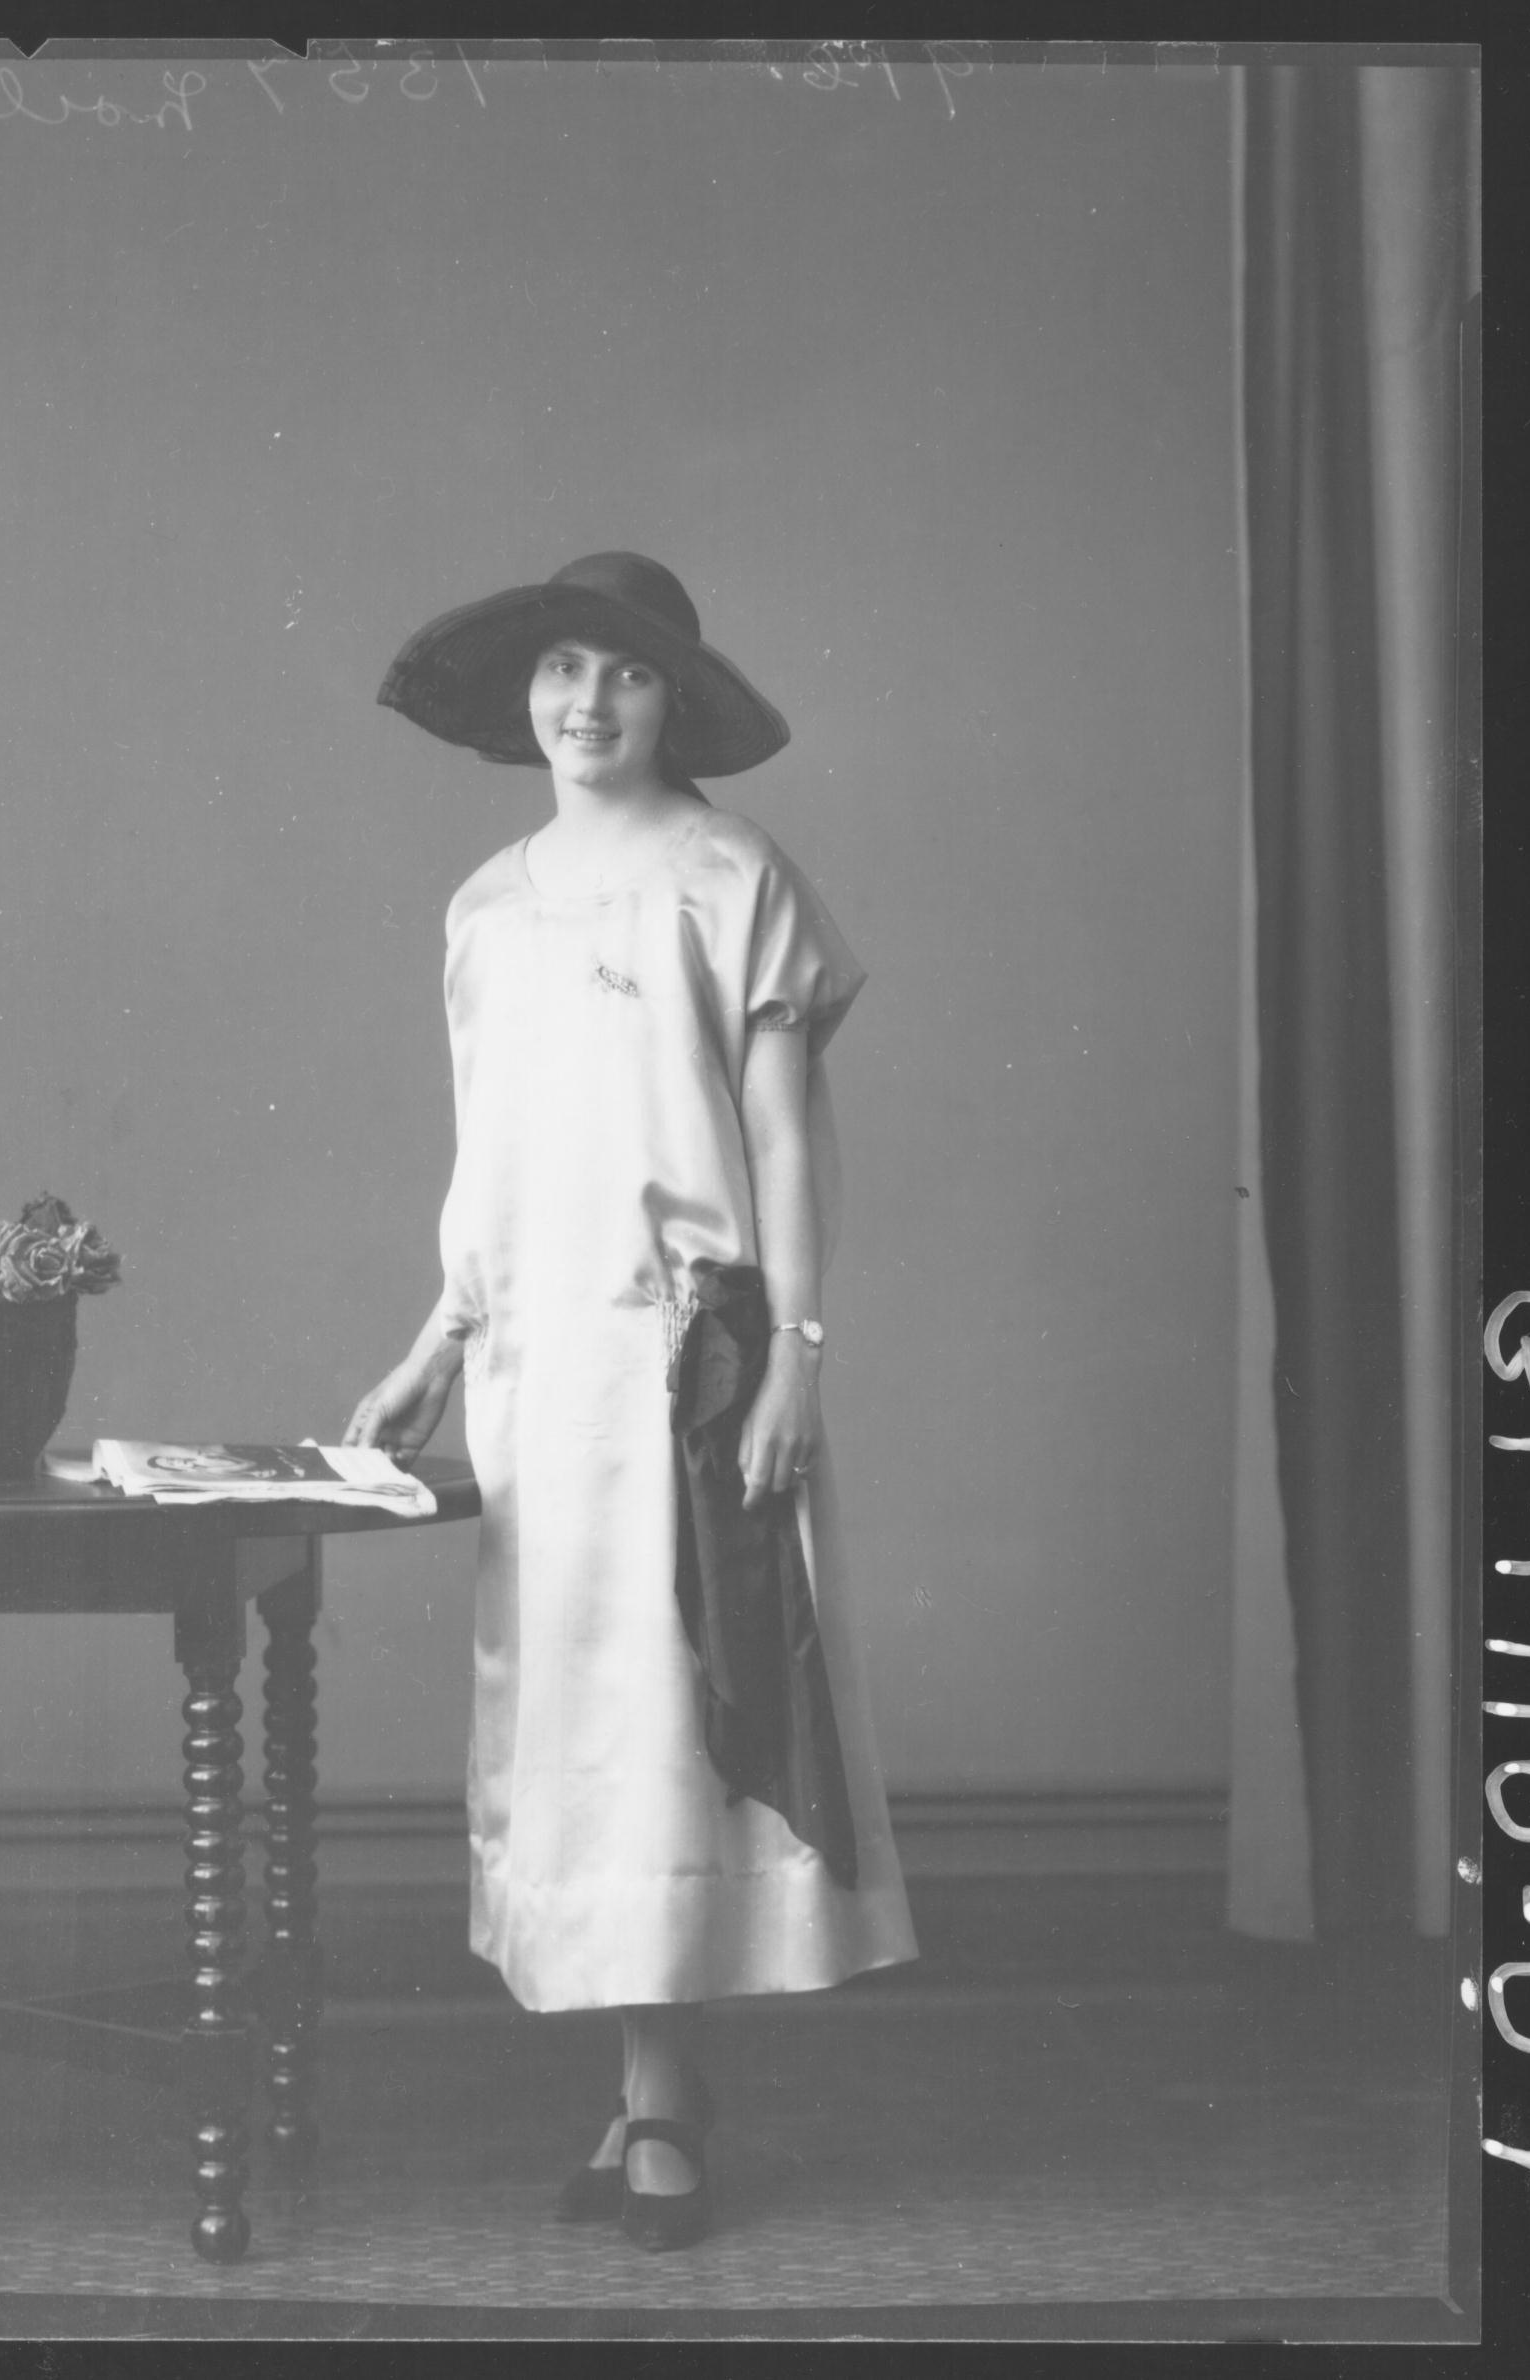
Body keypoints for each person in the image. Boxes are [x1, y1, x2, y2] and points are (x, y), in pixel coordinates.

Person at [346, 552, 918, 2250]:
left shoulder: (731, 876)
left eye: (628, 673)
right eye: (563, 668)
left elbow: (785, 1136)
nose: (587, 702)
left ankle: (661, 2099)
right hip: (538, 1375)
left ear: (678, 700)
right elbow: (500, 1160)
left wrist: (797, 1353)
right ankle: (644, 2085)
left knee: (673, 1718)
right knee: (576, 1731)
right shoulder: (486, 906)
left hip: (691, 1361)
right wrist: (436, 1343)